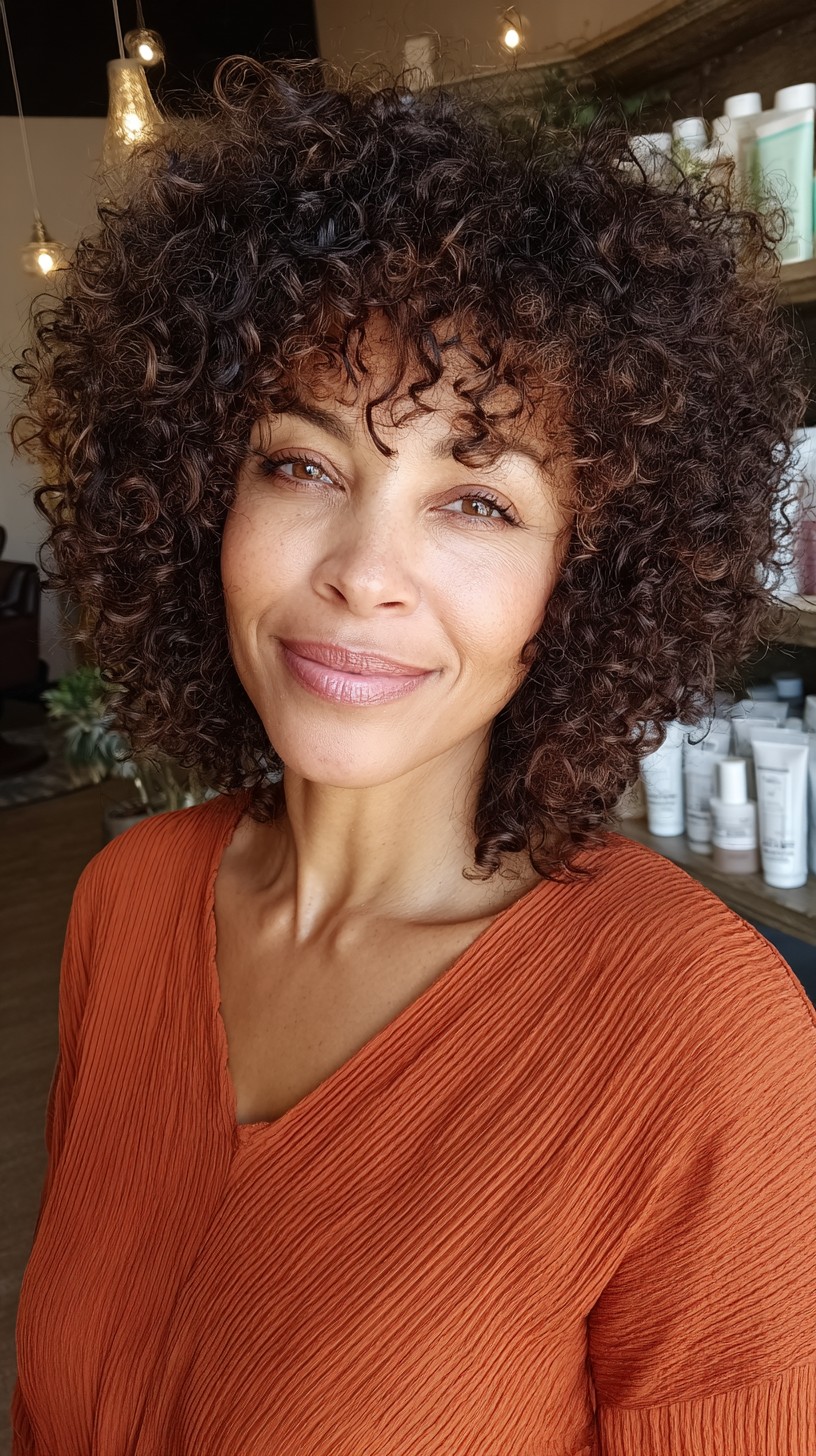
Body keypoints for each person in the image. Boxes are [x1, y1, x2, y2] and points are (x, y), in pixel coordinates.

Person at [8, 54, 816, 1456]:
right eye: (303, 465)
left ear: (589, 572)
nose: (365, 576)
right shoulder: (124, 905)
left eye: (478, 503)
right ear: (199, 493)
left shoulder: (706, 1042)